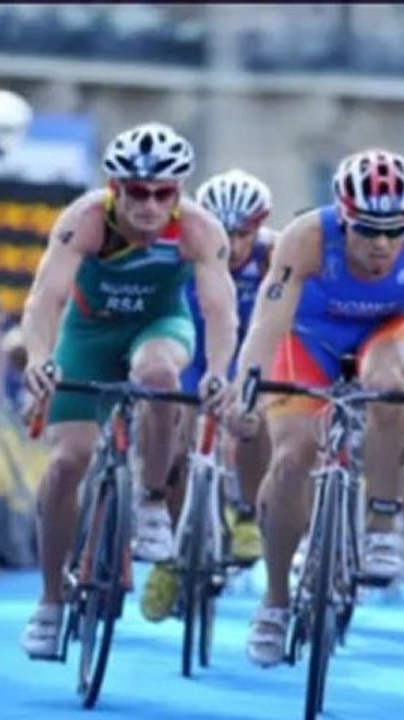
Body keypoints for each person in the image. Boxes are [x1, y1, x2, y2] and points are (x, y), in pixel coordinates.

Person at [230, 148, 404, 667]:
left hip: (386, 337)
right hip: (309, 339)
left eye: (394, 231)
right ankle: (274, 601)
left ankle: (382, 528)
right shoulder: (306, 239)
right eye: (366, 230)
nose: (381, 245)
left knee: (386, 384)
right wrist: (246, 392)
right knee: (292, 457)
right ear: (342, 217)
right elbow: (266, 327)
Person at [18, 122, 237, 659]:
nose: (149, 205)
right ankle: (49, 602)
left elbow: (219, 310)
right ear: (116, 189)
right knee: (69, 460)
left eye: (163, 194)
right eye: (137, 192)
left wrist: (217, 370)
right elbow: (45, 300)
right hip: (89, 335)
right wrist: (40, 359)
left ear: (179, 194)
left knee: (160, 376)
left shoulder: (199, 231)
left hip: (159, 326)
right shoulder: (86, 220)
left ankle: (153, 503)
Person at [140, 168, 278, 622]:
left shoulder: (275, 255)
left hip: (246, 352)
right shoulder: (180, 247)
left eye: (243, 233)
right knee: (175, 434)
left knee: (251, 415)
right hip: (191, 350)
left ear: (258, 228)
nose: (233, 243)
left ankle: (247, 514)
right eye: (224, 232)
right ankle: (174, 556)